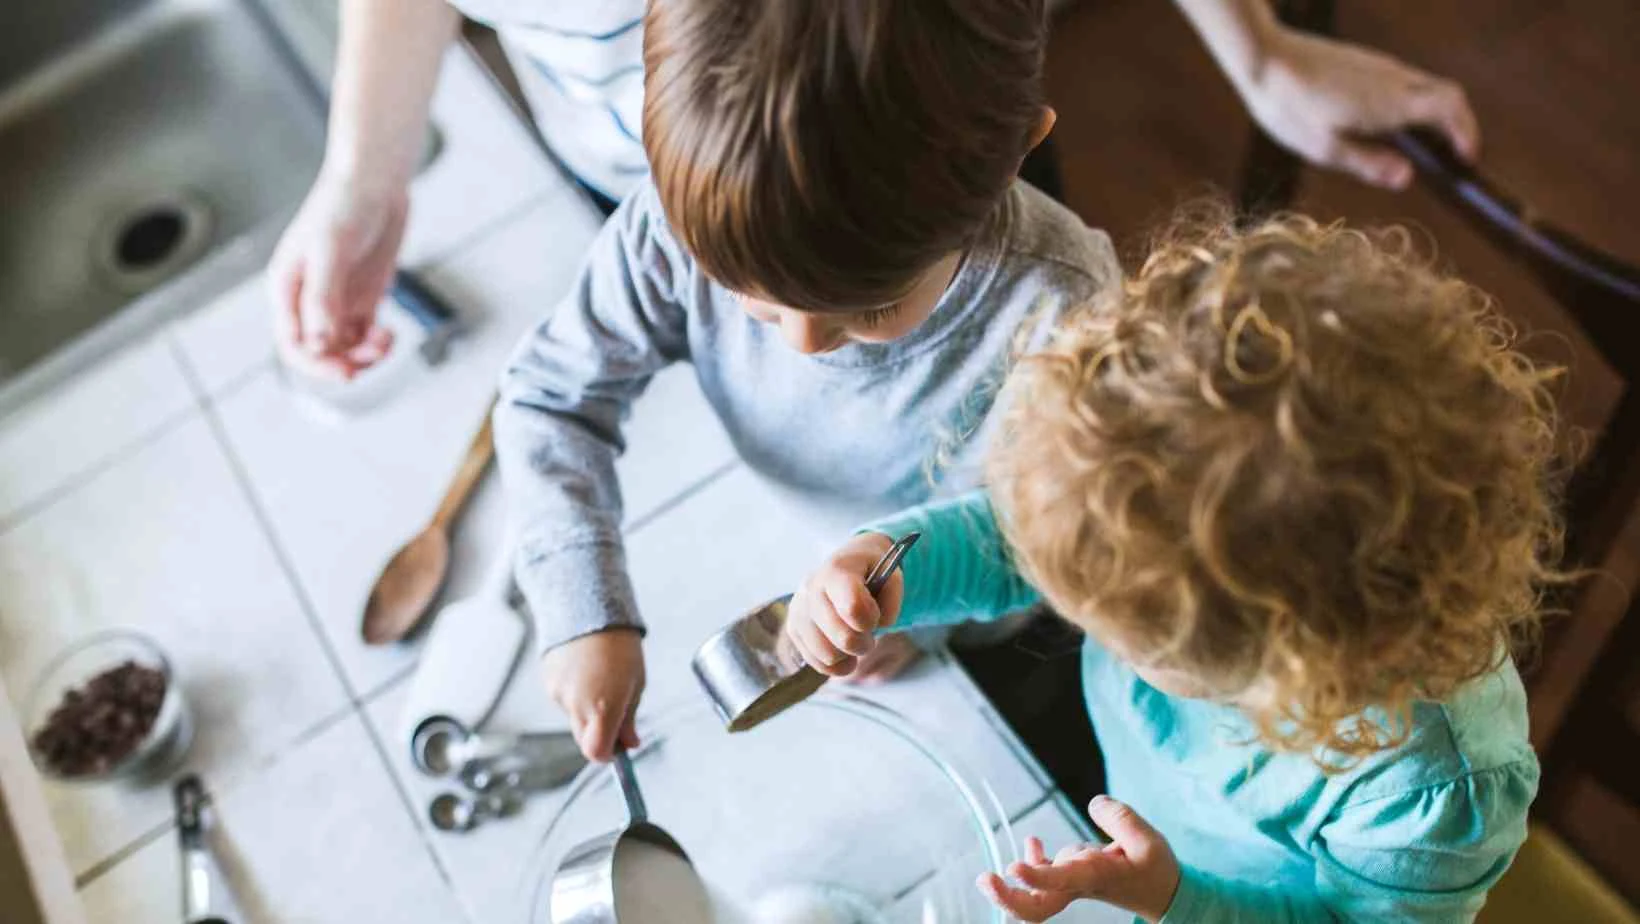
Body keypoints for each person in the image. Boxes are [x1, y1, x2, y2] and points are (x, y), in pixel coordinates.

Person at [786, 211, 1556, 921]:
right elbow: (1019, 538)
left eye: (1123, 635)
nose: (1083, 621)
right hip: (1141, 819)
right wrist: (878, 568)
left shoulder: (1436, 793)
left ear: (1290, 660)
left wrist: (1173, 897)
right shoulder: (1147, 522)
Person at [491, 0, 1122, 762]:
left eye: (872, 307)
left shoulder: (1065, 308)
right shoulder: (677, 222)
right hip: (818, 555)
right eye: (751, 301)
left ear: (1019, 151)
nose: (806, 342)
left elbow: (1069, 532)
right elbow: (551, 396)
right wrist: (583, 608)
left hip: (992, 626)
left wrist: (918, 608)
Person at [269, 0, 1480, 382]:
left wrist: (1257, 53)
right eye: (755, 303)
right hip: (626, 178)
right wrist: (362, 181)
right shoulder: (668, 235)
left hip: (894, 173)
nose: (797, 348)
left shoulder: (1011, 258)